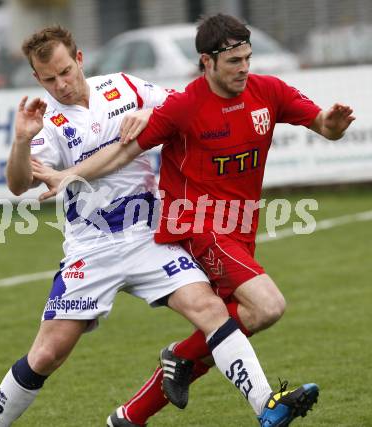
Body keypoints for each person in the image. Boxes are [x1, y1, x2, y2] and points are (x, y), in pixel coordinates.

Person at [31, 14, 354, 427]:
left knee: (241, 319)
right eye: (233, 61)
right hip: (197, 225)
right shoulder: (185, 106)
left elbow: (323, 125)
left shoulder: (268, 91)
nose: (244, 68)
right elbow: (121, 153)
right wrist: (67, 175)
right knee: (268, 305)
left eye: (247, 58)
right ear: (207, 62)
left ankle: (134, 412)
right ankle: (255, 399)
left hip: (240, 227)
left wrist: (334, 125)